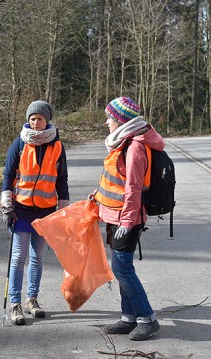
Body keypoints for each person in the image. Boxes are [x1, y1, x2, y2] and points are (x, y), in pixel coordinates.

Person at [92, 96, 164, 341]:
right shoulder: (121, 142)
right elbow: (115, 180)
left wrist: (126, 222)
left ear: (121, 120)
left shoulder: (134, 147)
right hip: (115, 214)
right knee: (123, 267)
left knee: (121, 268)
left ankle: (147, 319)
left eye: (110, 118)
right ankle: (128, 317)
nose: (106, 122)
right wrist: (98, 196)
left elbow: (133, 188)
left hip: (127, 219)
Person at [0, 100, 69, 325]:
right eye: (32, 119)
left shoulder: (57, 146)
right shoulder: (19, 143)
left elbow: (62, 180)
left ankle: (32, 299)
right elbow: (8, 174)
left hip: (46, 210)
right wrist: (6, 204)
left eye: (39, 119)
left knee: (37, 257)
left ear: (47, 120)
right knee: (19, 257)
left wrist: (62, 209)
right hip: (21, 210)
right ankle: (15, 303)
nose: (35, 123)